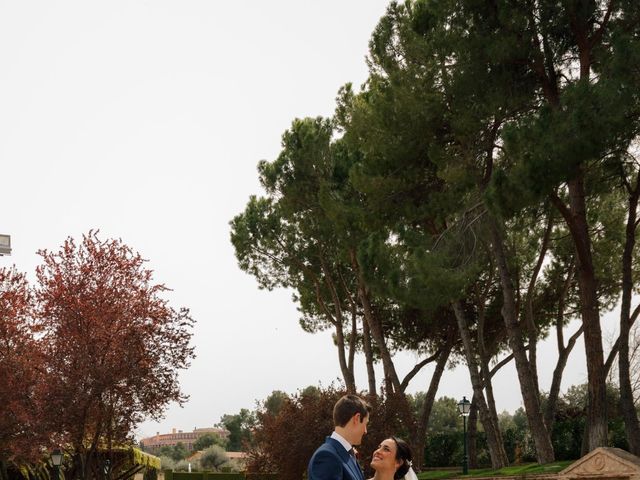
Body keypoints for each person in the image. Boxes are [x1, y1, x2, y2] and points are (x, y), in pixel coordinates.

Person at [308, 394, 372, 480]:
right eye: (365, 424)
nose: (365, 431)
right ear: (357, 418)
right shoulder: (327, 456)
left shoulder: (346, 453)